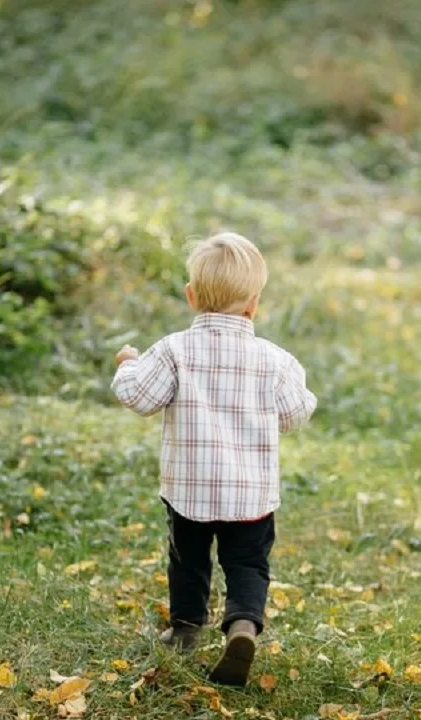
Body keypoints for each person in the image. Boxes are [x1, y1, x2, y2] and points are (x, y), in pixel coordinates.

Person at [111, 232, 317, 686]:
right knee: (247, 563)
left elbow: (139, 397)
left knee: (188, 558)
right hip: (251, 494)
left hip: (189, 490)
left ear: (191, 297)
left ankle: (186, 629)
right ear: (253, 304)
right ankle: (242, 625)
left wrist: (127, 362)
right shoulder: (273, 360)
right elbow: (295, 412)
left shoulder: (172, 350)